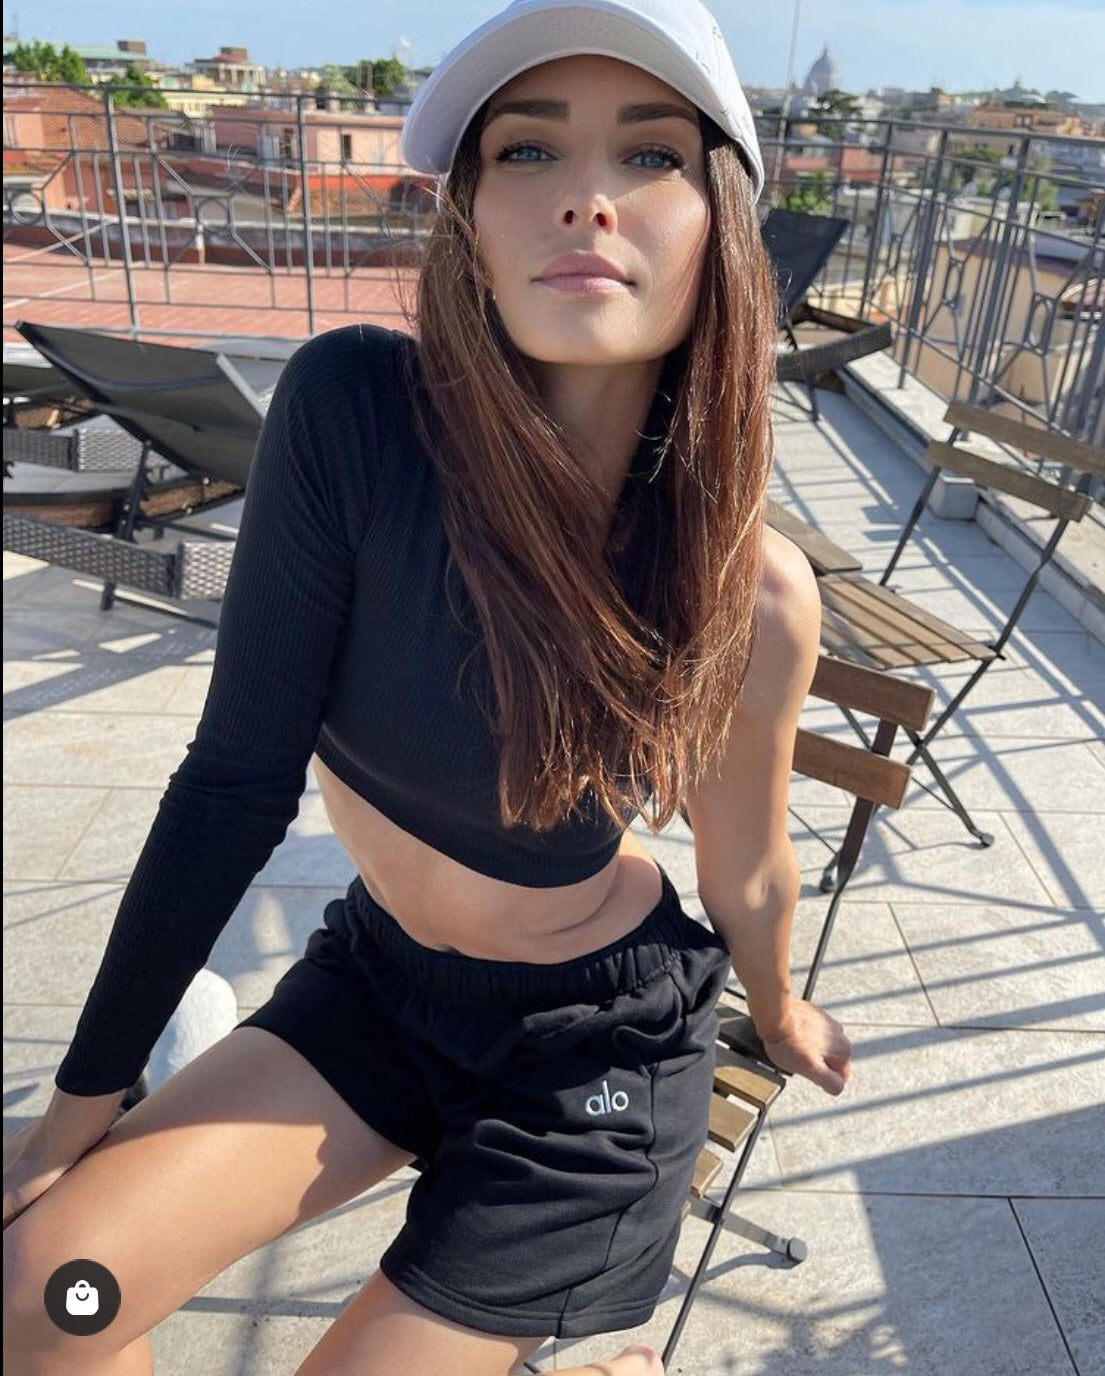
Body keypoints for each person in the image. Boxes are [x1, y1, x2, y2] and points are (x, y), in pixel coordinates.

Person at [2, 1, 852, 1372]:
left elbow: (747, 864)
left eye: (650, 155)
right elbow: (233, 780)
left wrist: (783, 1001)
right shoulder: (356, 416)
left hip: (591, 1067)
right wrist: (73, 1114)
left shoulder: (743, 591)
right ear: (466, 216)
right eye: (527, 151)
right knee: (51, 1296)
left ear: (720, 227)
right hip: (383, 989)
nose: (583, 198)